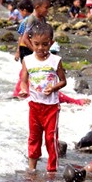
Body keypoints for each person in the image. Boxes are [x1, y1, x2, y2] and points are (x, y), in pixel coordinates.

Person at [19, 22, 67, 173]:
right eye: (37, 44)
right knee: (34, 138)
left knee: (50, 139)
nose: (41, 48)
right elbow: (24, 80)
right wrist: (23, 89)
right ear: (31, 41)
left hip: (51, 106)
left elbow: (63, 81)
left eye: (45, 44)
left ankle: (52, 169)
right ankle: (32, 168)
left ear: (51, 42)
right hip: (34, 105)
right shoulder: (28, 60)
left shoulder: (55, 60)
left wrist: (53, 88)